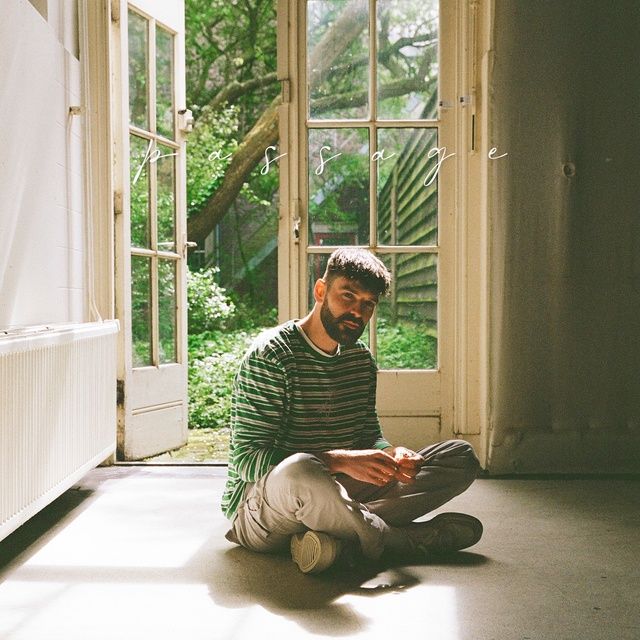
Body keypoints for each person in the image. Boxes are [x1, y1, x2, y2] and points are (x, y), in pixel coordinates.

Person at [222, 247, 482, 574]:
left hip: (337, 492)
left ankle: (337, 538)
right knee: (301, 469)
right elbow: (247, 461)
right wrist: (340, 461)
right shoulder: (271, 356)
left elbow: (368, 435)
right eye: (348, 296)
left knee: (460, 456)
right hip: (266, 508)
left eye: (368, 304)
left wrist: (392, 453)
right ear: (321, 291)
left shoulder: (360, 360)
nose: (357, 312)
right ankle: (402, 541)